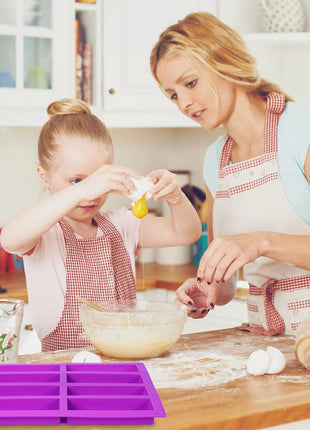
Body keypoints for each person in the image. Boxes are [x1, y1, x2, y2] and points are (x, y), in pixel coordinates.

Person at [150, 12, 310, 336]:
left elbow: (253, 245)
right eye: (173, 95)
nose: (184, 103)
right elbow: (225, 287)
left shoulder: (301, 131)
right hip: (264, 340)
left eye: (190, 83)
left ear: (225, 62)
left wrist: (260, 242)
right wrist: (205, 288)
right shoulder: (214, 161)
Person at [0, 98, 201, 351]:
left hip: (124, 356)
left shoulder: (122, 224)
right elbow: (9, 239)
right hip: (64, 364)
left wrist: (175, 195)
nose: (92, 195)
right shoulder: (44, 232)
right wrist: (85, 188)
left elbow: (186, 232)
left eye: (99, 180)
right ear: (44, 176)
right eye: (76, 181)